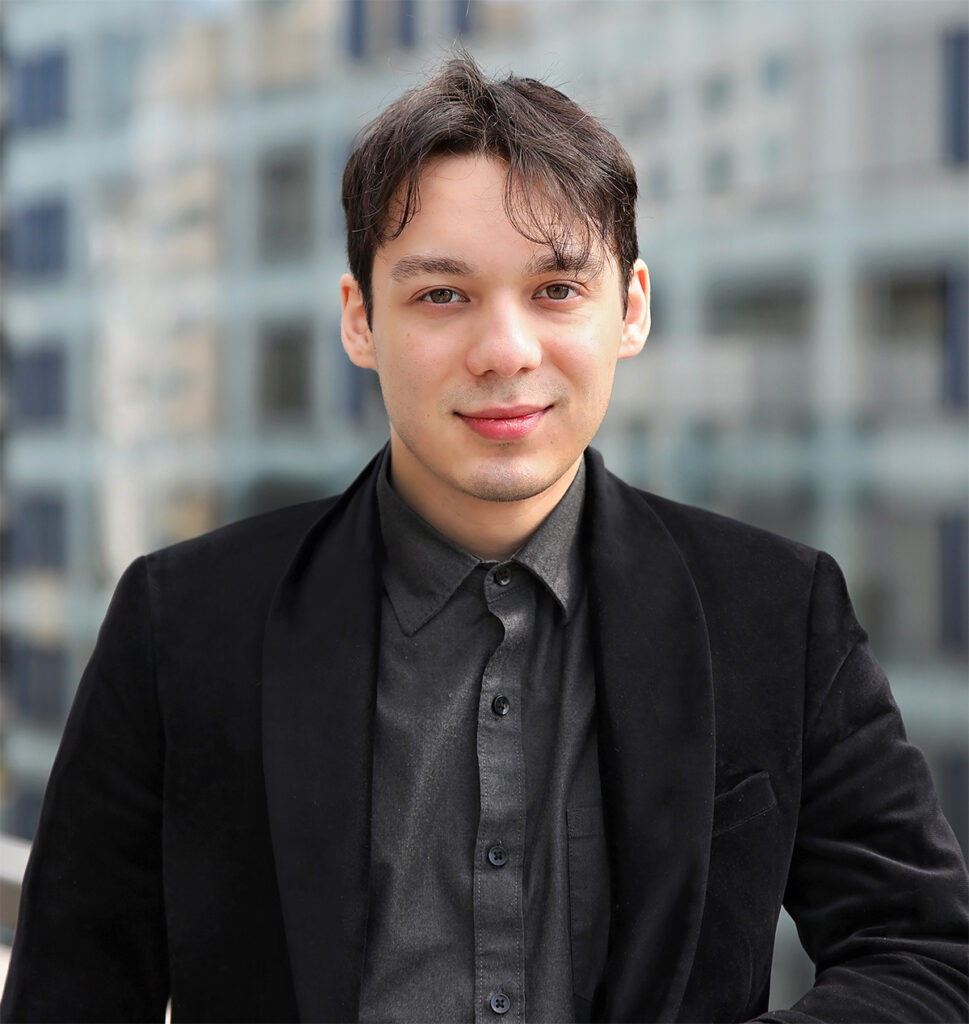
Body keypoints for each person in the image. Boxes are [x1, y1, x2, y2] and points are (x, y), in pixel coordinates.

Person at [2, 55, 967, 1024]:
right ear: (359, 320)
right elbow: (72, 992)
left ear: (629, 308)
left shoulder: (773, 609)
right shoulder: (186, 620)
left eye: (555, 289)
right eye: (442, 295)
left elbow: (926, 952)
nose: (505, 350)